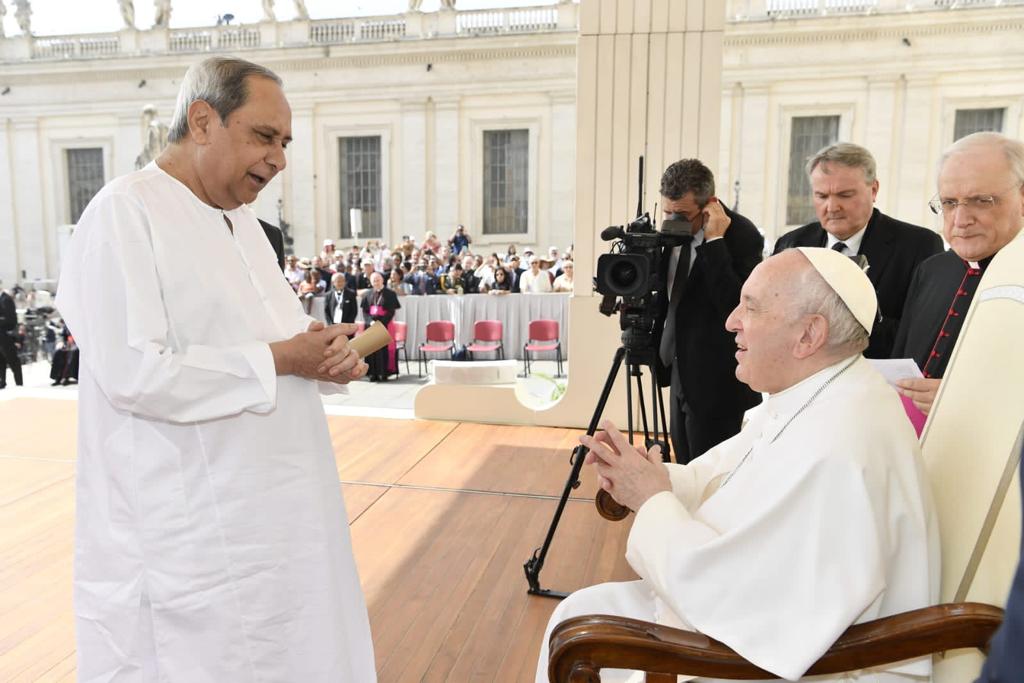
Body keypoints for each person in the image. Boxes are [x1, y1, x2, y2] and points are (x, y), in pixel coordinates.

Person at [54, 56, 376, 681]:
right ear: (202, 121)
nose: (279, 158)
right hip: (191, 538)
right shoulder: (126, 212)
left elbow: (269, 340)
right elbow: (137, 374)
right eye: (264, 136)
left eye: (284, 142)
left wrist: (321, 355)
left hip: (281, 519)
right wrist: (285, 358)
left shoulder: (246, 225)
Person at [535, 247, 938, 683]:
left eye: (750, 306)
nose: (731, 321)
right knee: (575, 613)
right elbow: (727, 480)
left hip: (798, 661)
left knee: (580, 637)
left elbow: (744, 598)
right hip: (751, 621)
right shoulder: (821, 393)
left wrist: (651, 499)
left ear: (808, 336)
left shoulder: (841, 443)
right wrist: (644, 476)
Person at [773, 143, 943, 358]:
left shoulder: (919, 245)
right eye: (822, 196)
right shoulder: (791, 244)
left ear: (873, 190)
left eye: (844, 195)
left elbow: (922, 335)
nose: (832, 207)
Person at [894, 132, 1024, 414]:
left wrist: (969, 403)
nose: (961, 220)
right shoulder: (932, 270)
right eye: (950, 203)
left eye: (981, 200)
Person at [655, 159, 763, 464]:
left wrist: (714, 242)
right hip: (678, 370)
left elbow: (736, 308)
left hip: (719, 383)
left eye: (683, 215)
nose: (673, 222)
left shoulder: (743, 236)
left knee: (712, 474)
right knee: (684, 465)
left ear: (710, 204)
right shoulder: (667, 233)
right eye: (667, 212)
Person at [361, 272, 400, 381]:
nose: (376, 282)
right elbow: (365, 311)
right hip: (370, 326)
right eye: (374, 280)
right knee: (371, 349)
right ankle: (372, 373)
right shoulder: (367, 294)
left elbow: (391, 311)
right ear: (371, 282)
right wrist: (370, 322)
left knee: (383, 349)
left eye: (378, 280)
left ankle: (383, 373)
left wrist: (381, 323)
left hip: (385, 325)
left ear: (382, 280)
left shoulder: (390, 294)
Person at [0, 286, 24, 389]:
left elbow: (11, 320)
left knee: (12, 360)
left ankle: (19, 383)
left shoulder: (6, 299)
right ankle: (2, 382)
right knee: (0, 361)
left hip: (6, 336)